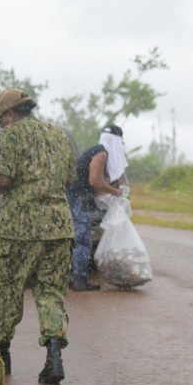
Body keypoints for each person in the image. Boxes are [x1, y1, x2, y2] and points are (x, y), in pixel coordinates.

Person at [0, 89, 76, 385]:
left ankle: (1, 356)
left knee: (11, 288)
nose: (1, 126)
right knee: (50, 292)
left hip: (19, 227)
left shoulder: (11, 135)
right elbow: (70, 178)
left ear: (9, 114)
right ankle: (54, 357)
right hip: (59, 226)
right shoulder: (59, 135)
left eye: (1, 120)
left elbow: (4, 179)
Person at [65, 124, 130, 290]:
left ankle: (73, 277)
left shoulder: (98, 151)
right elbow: (95, 181)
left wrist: (109, 193)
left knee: (77, 238)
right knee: (82, 239)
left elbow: (94, 183)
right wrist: (115, 192)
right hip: (77, 198)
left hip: (76, 196)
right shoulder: (101, 153)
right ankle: (79, 279)